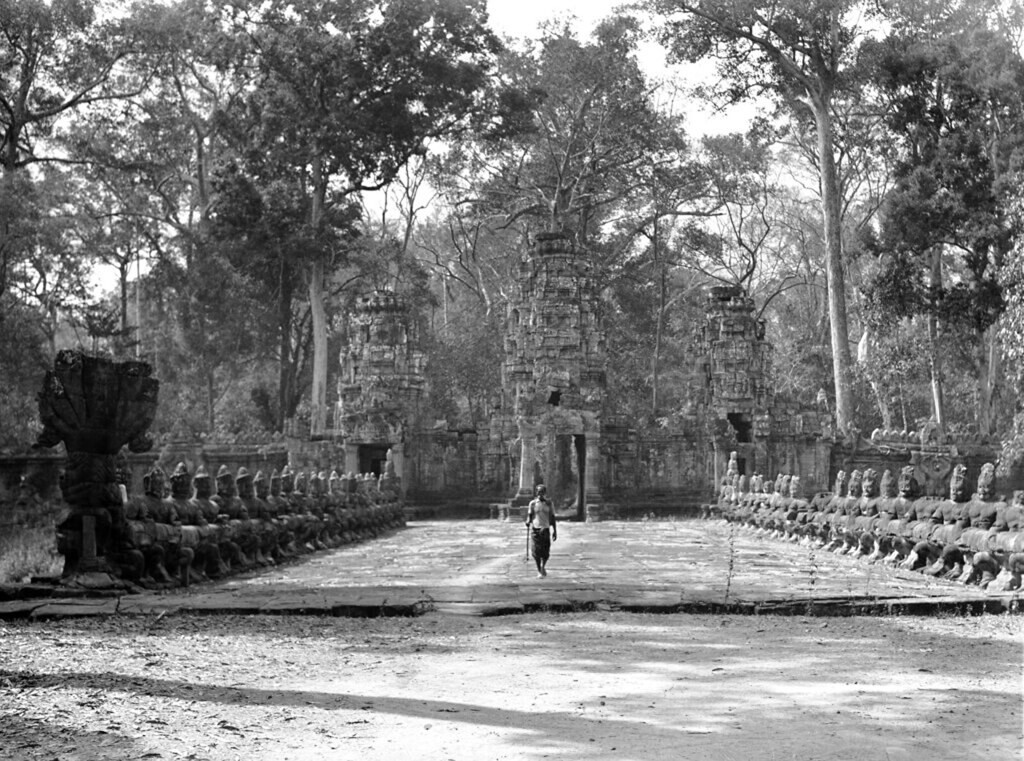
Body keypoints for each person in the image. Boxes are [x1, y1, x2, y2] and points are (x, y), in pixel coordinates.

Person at [526, 484, 557, 577]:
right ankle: (539, 570)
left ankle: (543, 566)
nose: (540, 494)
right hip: (536, 529)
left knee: (545, 551)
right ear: (536, 493)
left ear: (545, 493)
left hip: (546, 528)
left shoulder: (549, 503)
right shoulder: (532, 503)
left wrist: (555, 531)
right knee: (535, 551)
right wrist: (527, 521)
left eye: (542, 492)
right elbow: (530, 516)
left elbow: (552, 517)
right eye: (539, 492)